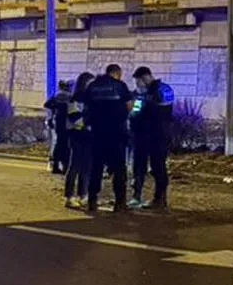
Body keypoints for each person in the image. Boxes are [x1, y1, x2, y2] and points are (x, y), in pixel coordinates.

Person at [83, 63, 134, 214]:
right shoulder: (120, 86)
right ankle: (120, 203)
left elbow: (85, 107)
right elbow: (130, 107)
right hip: (117, 133)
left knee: (96, 168)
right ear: (117, 73)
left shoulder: (93, 86)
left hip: (97, 133)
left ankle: (92, 201)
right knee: (119, 169)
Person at [129, 66, 174, 209]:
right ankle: (141, 197)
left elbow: (158, 111)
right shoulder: (158, 90)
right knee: (141, 167)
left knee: (157, 167)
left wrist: (143, 99)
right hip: (149, 135)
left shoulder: (161, 90)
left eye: (138, 81)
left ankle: (158, 199)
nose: (137, 84)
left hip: (155, 136)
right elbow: (135, 113)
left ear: (145, 78)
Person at [63, 71, 94, 209]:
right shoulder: (75, 98)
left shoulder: (91, 99)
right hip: (76, 135)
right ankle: (69, 196)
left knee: (86, 166)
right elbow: (74, 117)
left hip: (88, 136)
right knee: (75, 165)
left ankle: (83, 195)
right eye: (90, 82)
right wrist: (87, 125)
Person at [43, 80, 72, 174]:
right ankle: (65, 167)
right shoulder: (70, 97)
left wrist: (54, 110)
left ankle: (55, 165)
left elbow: (47, 104)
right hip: (67, 123)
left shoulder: (57, 96)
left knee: (58, 144)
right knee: (66, 146)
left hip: (58, 123)